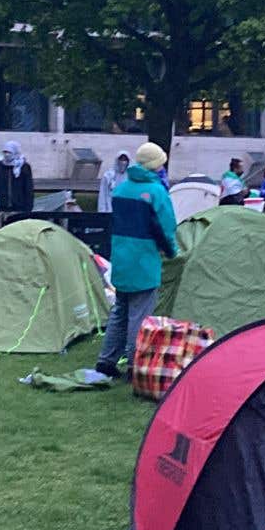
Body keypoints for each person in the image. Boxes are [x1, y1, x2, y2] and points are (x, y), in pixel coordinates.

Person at [95, 143, 178, 380]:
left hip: (121, 259)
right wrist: (172, 251)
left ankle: (106, 360)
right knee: (139, 317)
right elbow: (166, 227)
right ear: (155, 165)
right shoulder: (156, 192)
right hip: (144, 261)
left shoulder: (121, 189)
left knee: (119, 312)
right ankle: (135, 365)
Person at [0, 142, 34, 214]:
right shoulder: (0, 166)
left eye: (9, 152)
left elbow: (28, 187)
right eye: (5, 152)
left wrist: (28, 206)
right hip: (3, 205)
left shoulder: (24, 166)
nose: (6, 154)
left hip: (19, 205)